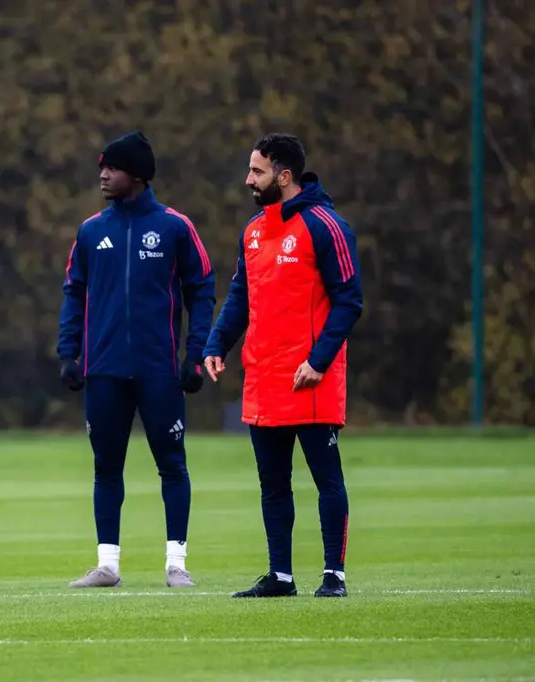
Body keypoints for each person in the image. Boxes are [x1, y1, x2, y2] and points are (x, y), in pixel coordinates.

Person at [202, 133, 363, 598]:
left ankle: (334, 575)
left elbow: (349, 302)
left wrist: (319, 360)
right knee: (273, 485)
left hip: (310, 377)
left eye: (257, 171)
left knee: (326, 479)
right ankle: (281, 576)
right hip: (265, 378)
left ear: (284, 176)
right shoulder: (253, 231)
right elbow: (240, 297)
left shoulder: (325, 225)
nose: (248, 179)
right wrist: (218, 344)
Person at [57, 131, 216, 588]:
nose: (103, 175)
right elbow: (74, 293)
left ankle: (177, 565)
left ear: (139, 175)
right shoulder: (91, 231)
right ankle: (107, 566)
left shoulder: (175, 227)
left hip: (159, 370)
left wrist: (196, 352)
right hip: (104, 371)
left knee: (172, 464)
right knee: (106, 467)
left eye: (113, 168)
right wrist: (69, 352)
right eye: (101, 167)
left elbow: (202, 288)